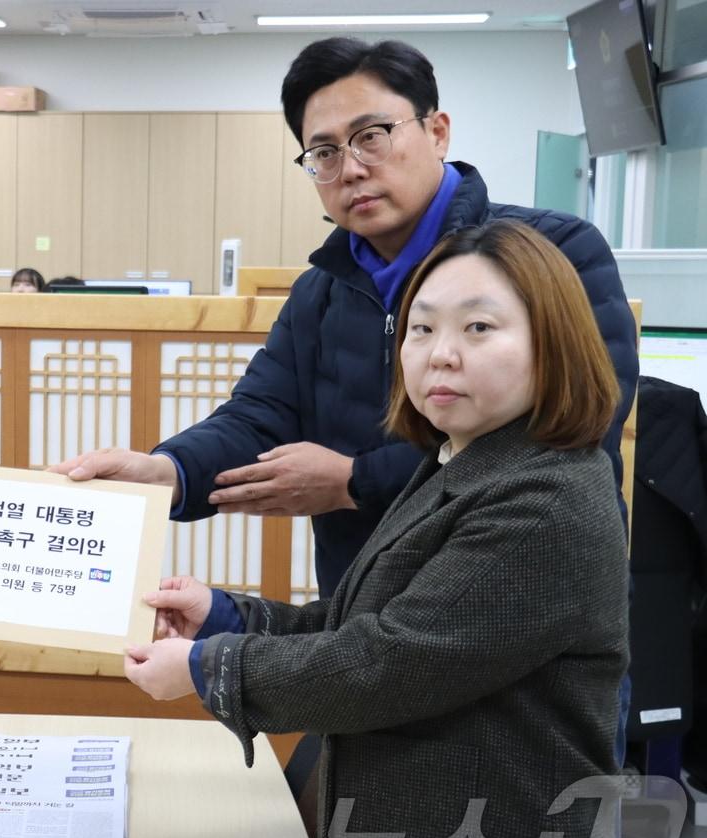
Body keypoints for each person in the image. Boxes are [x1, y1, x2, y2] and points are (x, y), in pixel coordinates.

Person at [125, 220, 632, 838]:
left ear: (554, 342)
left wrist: (209, 666)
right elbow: (360, 622)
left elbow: (386, 662)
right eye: (420, 330)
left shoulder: (545, 497)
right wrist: (223, 616)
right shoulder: (463, 462)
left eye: (479, 328)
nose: (441, 355)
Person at [51, 37, 637, 600]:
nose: (351, 168)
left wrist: (354, 482)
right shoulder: (321, 292)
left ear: (437, 132)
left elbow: (566, 427)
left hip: (523, 600)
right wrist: (168, 472)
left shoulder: (554, 253)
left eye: (372, 136)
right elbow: (260, 418)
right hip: (366, 619)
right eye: (325, 152)